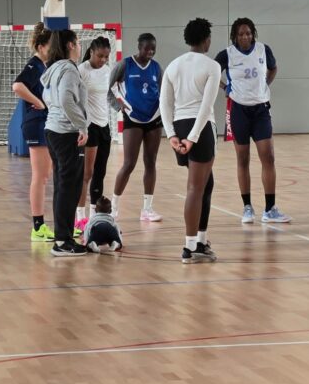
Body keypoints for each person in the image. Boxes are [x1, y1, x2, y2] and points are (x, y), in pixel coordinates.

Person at [215, 17, 291, 224]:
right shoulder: (226, 54)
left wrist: (265, 84)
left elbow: (273, 68)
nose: (245, 37)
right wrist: (225, 87)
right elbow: (212, 73)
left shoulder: (263, 50)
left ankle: (270, 209)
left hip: (260, 110)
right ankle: (247, 207)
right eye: (241, 34)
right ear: (234, 36)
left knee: (268, 157)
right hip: (238, 110)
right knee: (243, 159)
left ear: (253, 34)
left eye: (248, 33)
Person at [160, 18, 221, 263]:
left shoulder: (173, 66)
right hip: (200, 129)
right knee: (195, 187)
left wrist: (172, 134)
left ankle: (201, 241)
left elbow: (165, 104)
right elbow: (206, 107)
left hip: (180, 125)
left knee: (207, 184)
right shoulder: (212, 66)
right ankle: (190, 247)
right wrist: (193, 138)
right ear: (207, 40)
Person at [40, 29, 89, 256]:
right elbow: (66, 100)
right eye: (77, 43)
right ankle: (62, 241)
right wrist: (82, 125)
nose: (79, 47)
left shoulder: (53, 69)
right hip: (67, 133)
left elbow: (50, 99)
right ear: (70, 45)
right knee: (69, 187)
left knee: (63, 186)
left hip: (53, 131)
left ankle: (63, 237)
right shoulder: (68, 69)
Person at [108, 33, 163, 221]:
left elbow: (163, 92)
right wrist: (118, 106)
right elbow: (108, 90)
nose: (150, 51)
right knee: (129, 164)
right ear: (139, 47)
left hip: (154, 118)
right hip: (133, 118)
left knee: (151, 162)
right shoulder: (125, 65)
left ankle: (147, 209)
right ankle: (113, 207)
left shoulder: (156, 68)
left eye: (153, 48)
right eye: (147, 48)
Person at [12, 23, 55, 242]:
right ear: (40, 47)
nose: (53, 50)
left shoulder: (45, 66)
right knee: (40, 176)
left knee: (47, 175)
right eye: (50, 46)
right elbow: (17, 86)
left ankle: (54, 224)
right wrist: (38, 102)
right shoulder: (34, 65)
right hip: (36, 123)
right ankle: (38, 227)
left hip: (45, 122)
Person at [76, 36, 112, 227]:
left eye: (106, 57)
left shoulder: (107, 71)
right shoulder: (81, 71)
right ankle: (79, 216)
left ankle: (94, 216)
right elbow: (74, 99)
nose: (103, 60)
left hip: (104, 125)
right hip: (89, 127)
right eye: (100, 56)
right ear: (91, 52)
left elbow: (110, 95)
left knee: (100, 172)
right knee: (86, 173)